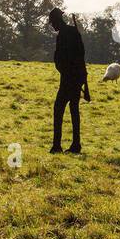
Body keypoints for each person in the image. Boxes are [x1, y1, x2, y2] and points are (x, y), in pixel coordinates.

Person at [49, 8, 87, 154]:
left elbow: (59, 58)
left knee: (59, 109)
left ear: (57, 21)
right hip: (76, 77)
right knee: (74, 110)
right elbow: (81, 54)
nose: (52, 25)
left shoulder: (63, 35)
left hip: (68, 78)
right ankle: (76, 145)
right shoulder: (73, 32)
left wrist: (64, 70)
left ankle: (57, 145)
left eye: (52, 22)